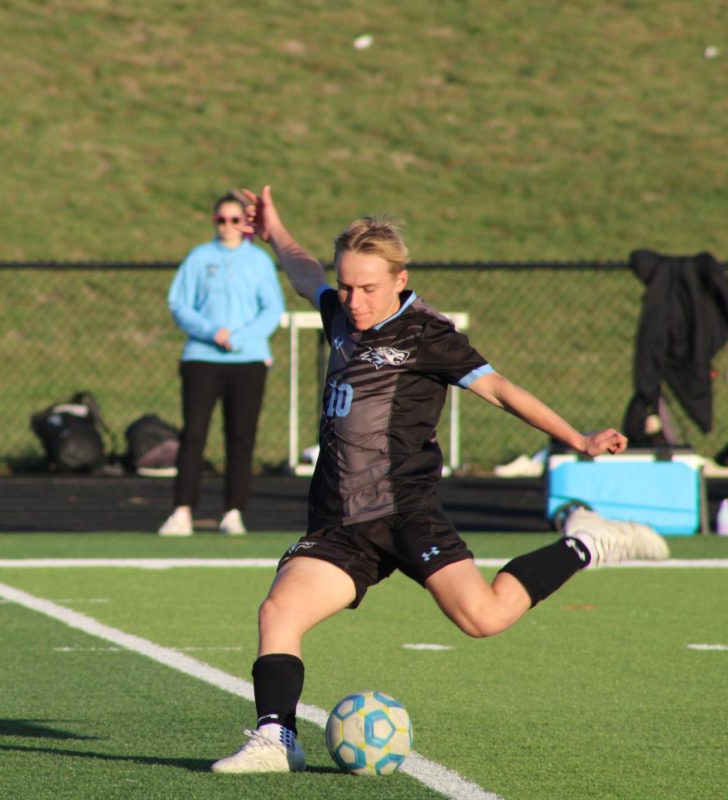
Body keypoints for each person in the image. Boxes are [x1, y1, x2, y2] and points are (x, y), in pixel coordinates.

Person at [210, 186, 669, 773]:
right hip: (340, 521)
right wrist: (274, 230)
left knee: (484, 618)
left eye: (368, 288)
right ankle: (277, 740)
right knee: (279, 612)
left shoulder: (428, 333)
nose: (353, 300)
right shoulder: (341, 316)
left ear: (401, 278)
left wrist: (577, 438)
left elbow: (499, 388)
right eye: (346, 286)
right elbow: (304, 273)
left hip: (406, 509)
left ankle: (587, 541)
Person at [157, 193, 285, 536]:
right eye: (221, 220)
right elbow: (179, 303)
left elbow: (272, 309)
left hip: (248, 360)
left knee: (241, 436)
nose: (228, 226)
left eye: (235, 220)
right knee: (195, 434)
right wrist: (212, 332)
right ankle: (182, 510)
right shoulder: (199, 258)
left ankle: (233, 511)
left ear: (245, 223)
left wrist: (240, 338)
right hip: (202, 358)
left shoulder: (259, 262)